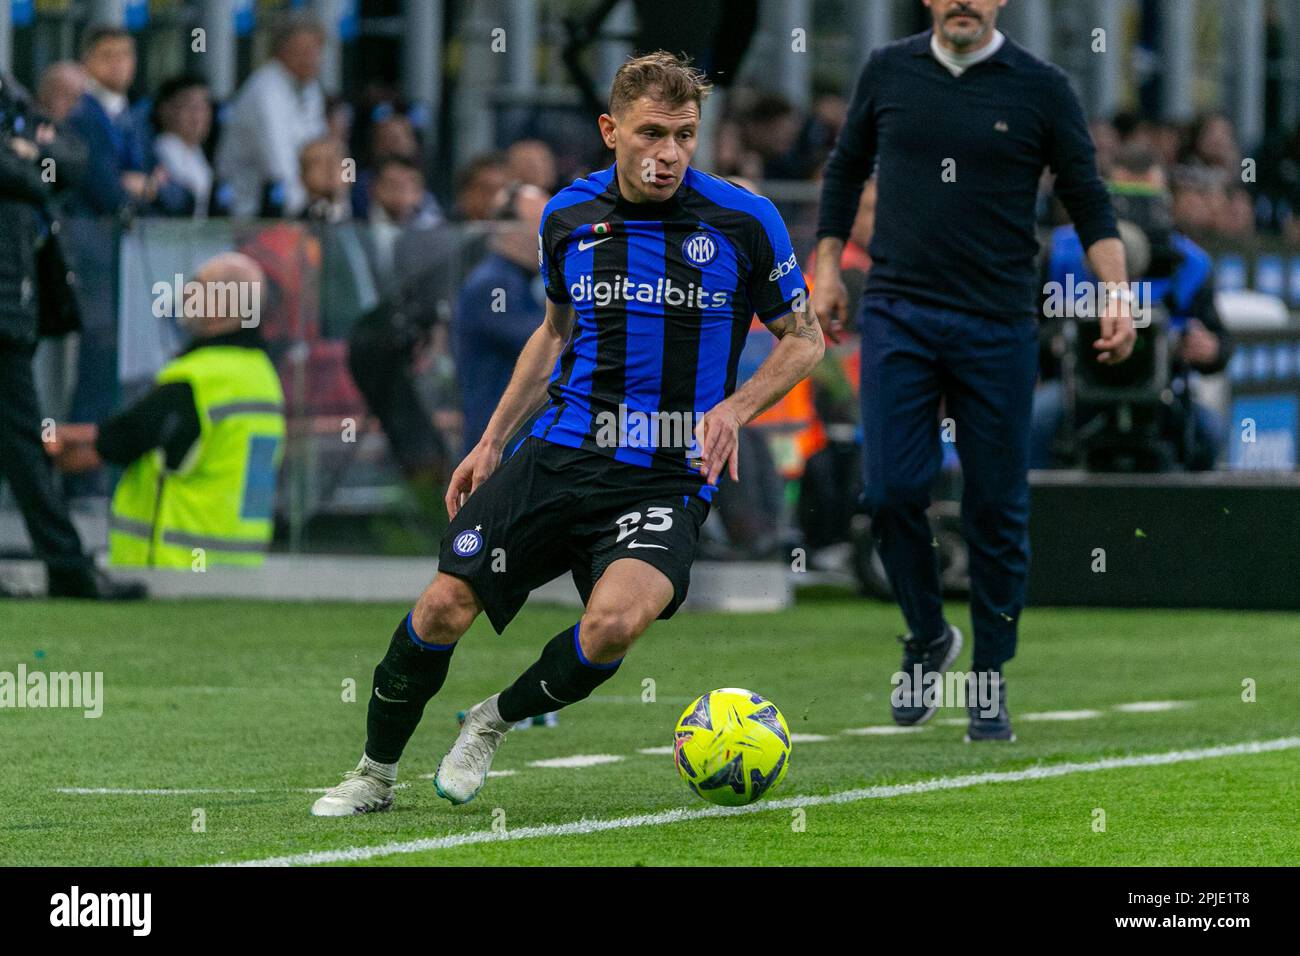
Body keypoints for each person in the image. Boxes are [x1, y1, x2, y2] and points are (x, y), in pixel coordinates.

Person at [311, 51, 824, 816]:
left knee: (615, 624)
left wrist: (735, 408)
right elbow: (553, 335)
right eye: (652, 133)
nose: (669, 153)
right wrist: (490, 442)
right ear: (611, 130)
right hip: (562, 450)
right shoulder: (568, 217)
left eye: (685, 135)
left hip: (666, 471)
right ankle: (373, 775)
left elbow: (806, 338)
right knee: (443, 607)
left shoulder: (745, 220)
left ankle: (493, 720)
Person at [812, 0, 1135, 741]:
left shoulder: (1043, 85)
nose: (963, 2)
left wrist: (1115, 294)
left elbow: (1087, 194)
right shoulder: (888, 70)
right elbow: (845, 168)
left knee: (996, 505)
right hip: (899, 308)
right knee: (892, 490)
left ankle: (989, 674)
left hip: (998, 320)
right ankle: (928, 636)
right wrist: (827, 267)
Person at [47, 253, 285, 568]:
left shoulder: (196, 379)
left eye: (197, 286)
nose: (185, 293)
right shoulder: (262, 376)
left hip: (176, 568)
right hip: (240, 565)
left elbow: (118, 441)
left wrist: (41, 440)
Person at [0, 74, 142, 600]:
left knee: (19, 439)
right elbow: (33, 174)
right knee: (20, 439)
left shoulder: (11, 100)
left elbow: (71, 162)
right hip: (8, 304)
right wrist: (27, 160)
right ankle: (68, 567)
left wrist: (28, 158)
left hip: (12, 303)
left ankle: (67, 566)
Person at [1032, 146, 1233, 471]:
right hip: (1075, 394)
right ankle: (1034, 517)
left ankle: (1201, 520)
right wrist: (1057, 341)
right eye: (1125, 198)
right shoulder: (1060, 253)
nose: (1137, 212)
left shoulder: (1191, 263)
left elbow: (1220, 344)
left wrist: (1207, 349)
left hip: (1161, 395)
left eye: (1148, 200)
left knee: (1208, 429)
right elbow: (1026, 330)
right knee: (1036, 418)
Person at [452, 182, 549, 455]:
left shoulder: (520, 282)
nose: (553, 237)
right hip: (499, 450)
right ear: (509, 229)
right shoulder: (493, 287)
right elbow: (548, 346)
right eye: (542, 225)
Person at [214, 13, 326, 217]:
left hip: (290, 206)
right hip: (247, 212)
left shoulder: (310, 88)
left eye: (316, 50)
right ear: (281, 51)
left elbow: (317, 150)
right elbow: (279, 165)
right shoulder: (265, 88)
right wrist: (309, 211)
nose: (312, 58)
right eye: (304, 51)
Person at [150, 74, 214, 217]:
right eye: (190, 107)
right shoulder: (164, 146)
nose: (198, 116)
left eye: (203, 107)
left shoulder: (195, 150)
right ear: (165, 109)